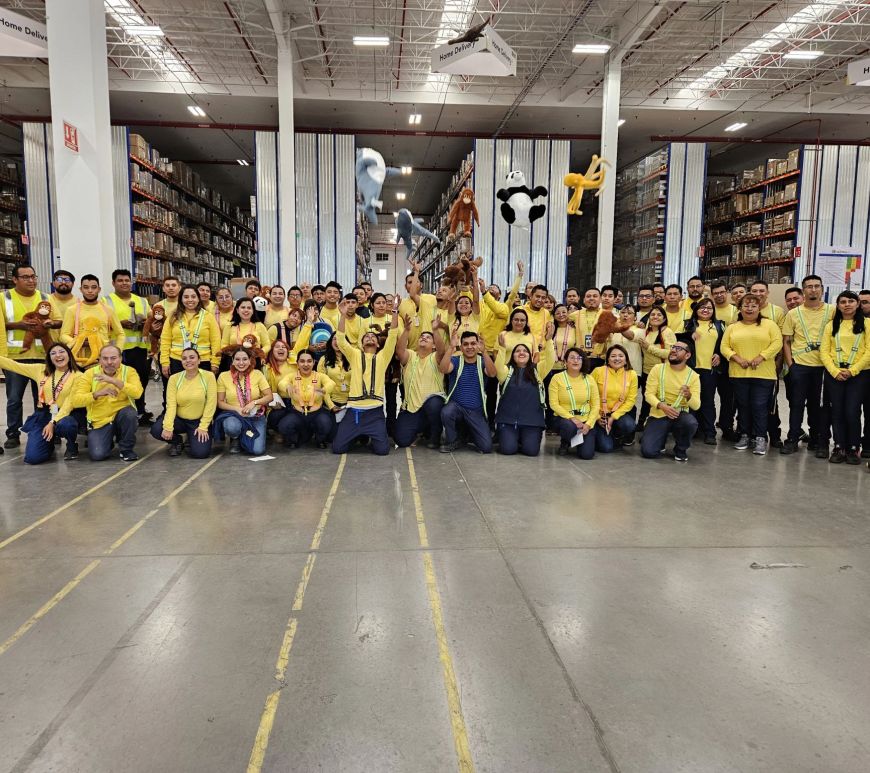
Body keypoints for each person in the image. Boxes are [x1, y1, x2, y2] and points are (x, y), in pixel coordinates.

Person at [331, 296, 400, 455]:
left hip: (374, 412)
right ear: (361, 344)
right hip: (354, 410)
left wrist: (395, 312)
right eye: (366, 337)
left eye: (373, 337)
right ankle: (358, 435)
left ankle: (366, 435)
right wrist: (343, 315)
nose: (370, 337)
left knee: (383, 451)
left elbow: (393, 335)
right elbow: (340, 339)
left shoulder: (383, 357)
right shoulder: (355, 355)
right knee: (338, 449)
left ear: (378, 344)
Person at [720, 293, 783, 455]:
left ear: (759, 308)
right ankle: (745, 435)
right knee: (743, 406)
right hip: (738, 374)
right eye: (746, 306)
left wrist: (762, 357)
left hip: (764, 374)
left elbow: (777, 343)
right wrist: (737, 358)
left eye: (753, 306)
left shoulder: (769, 325)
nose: (749, 309)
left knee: (759, 406)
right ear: (739, 308)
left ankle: (760, 438)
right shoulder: (733, 327)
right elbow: (724, 347)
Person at [0, 343, 84, 463]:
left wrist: (52, 423)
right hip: (45, 414)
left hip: (67, 414)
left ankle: (72, 445)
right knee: (33, 458)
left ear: (69, 355)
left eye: (62, 352)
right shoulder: (40, 370)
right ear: (49, 358)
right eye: (53, 353)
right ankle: (48, 443)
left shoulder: (78, 376)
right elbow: (13, 365)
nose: (58, 355)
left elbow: (69, 404)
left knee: (67, 424)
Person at [780, 275, 833, 457]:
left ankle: (818, 440)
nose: (813, 289)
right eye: (809, 286)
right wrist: (791, 365)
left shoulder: (832, 311)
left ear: (822, 289)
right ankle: (792, 438)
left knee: (818, 406)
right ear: (804, 291)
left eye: (816, 286)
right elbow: (786, 341)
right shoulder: (793, 314)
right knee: (796, 404)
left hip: (823, 367)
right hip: (800, 366)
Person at [69, 344, 143, 461]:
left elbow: (137, 393)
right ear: (99, 360)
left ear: (120, 358)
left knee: (130, 414)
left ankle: (126, 449)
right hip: (100, 420)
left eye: (113, 358)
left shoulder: (129, 371)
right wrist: (97, 394)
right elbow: (76, 401)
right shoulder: (89, 374)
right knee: (98, 455)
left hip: (121, 415)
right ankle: (107, 441)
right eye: (105, 358)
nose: (109, 362)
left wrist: (113, 381)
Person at [3, 264, 50, 448]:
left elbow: (56, 322)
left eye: (33, 276)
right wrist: (18, 325)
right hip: (15, 359)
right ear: (15, 279)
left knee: (43, 398)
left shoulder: (46, 298)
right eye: (25, 277)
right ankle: (13, 433)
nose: (31, 280)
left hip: (42, 357)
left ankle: (45, 431)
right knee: (14, 398)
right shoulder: (4, 298)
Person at [820, 291, 868, 465]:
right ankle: (839, 446)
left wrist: (853, 371)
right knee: (837, 411)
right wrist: (834, 371)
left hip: (859, 374)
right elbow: (824, 351)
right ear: (838, 306)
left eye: (851, 301)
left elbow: (869, 351)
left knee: (852, 411)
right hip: (835, 374)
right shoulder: (831, 326)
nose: (847, 304)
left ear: (857, 304)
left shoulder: (867, 324)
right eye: (843, 302)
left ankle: (853, 448)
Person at [494, 329, 555, 456]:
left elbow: (550, 360)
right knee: (508, 450)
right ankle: (513, 438)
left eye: (525, 351)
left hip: (532, 422)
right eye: (517, 351)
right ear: (512, 356)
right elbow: (498, 366)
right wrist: (502, 348)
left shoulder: (538, 371)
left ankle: (522, 439)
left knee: (531, 451)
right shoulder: (506, 371)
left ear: (530, 355)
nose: (521, 352)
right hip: (508, 421)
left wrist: (549, 340)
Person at [104, 269, 152, 425]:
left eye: (127, 280)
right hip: (119, 351)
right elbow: (101, 323)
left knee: (140, 381)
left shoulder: (142, 301)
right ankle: (119, 414)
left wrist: (144, 324)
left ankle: (140, 411)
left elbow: (151, 320)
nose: (124, 283)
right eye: (120, 280)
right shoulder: (106, 301)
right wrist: (119, 323)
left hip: (140, 349)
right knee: (118, 382)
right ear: (113, 283)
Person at [151, 347, 217, 458]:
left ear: (199, 360)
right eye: (184, 358)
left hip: (198, 422)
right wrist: (168, 427)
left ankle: (191, 439)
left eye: (192, 357)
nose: (188, 361)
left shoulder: (209, 376)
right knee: (157, 430)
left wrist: (203, 426)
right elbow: (171, 405)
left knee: (200, 453)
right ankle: (177, 441)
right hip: (179, 420)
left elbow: (211, 403)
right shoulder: (174, 378)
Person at [640, 342, 701, 462]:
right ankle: (660, 440)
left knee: (690, 422)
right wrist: (662, 406)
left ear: (687, 355)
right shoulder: (658, 369)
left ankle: (680, 449)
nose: (673, 350)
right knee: (648, 452)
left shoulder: (693, 376)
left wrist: (689, 396)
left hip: (679, 415)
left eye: (679, 348)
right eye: (673, 347)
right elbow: (648, 394)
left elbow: (696, 405)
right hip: (658, 414)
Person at [393, 316, 447, 449]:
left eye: (428, 338)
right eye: (422, 337)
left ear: (433, 345)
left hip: (432, 405)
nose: (424, 338)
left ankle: (435, 435)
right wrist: (406, 330)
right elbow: (399, 350)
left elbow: (441, 351)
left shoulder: (435, 357)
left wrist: (435, 330)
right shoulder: (410, 355)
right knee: (401, 441)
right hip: (412, 409)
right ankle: (421, 430)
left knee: (434, 404)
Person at [439, 330, 496, 453]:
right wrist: (451, 347)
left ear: (477, 345)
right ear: (461, 347)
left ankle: (468, 434)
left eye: (473, 343)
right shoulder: (455, 360)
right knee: (447, 412)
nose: (469, 347)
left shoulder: (482, 361)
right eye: (465, 344)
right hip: (457, 408)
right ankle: (452, 440)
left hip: (475, 411)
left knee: (486, 447)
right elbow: (443, 369)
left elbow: (492, 374)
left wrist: (484, 352)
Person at [680, 297, 726, 444]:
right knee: (689, 400)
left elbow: (725, 344)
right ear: (696, 310)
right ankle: (690, 430)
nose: (705, 310)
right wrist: (689, 334)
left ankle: (709, 432)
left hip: (709, 370)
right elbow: (677, 340)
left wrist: (719, 355)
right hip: (690, 369)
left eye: (709, 308)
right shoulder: (688, 324)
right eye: (702, 307)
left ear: (713, 311)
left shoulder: (720, 325)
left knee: (707, 401)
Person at [215, 348, 273, 454]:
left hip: (255, 416)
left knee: (257, 451)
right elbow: (220, 402)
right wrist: (237, 409)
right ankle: (236, 437)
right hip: (234, 415)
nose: (241, 363)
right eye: (237, 359)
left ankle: (244, 438)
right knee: (231, 427)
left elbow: (269, 396)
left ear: (250, 360)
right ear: (232, 361)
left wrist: (254, 403)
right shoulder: (223, 376)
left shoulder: (257, 374)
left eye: (245, 359)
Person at [60, 274, 125, 367]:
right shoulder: (72, 310)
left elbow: (120, 334)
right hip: (78, 362)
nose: (90, 291)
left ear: (99, 289)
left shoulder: (108, 310)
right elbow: (63, 335)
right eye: (86, 287)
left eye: (94, 287)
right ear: (81, 289)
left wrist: (116, 353)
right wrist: (80, 342)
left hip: (103, 361)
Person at [276, 350, 337, 448]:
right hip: (297, 413)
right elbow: (281, 383)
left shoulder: (319, 376)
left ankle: (319, 439)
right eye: (302, 361)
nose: (306, 364)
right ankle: (295, 439)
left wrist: (323, 390)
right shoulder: (292, 376)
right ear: (297, 363)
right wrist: (287, 386)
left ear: (314, 362)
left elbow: (331, 383)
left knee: (325, 424)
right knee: (284, 426)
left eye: (309, 361)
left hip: (316, 413)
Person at [160, 285, 221, 378]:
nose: (190, 300)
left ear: (198, 299)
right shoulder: (173, 317)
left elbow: (216, 341)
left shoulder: (208, 317)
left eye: (193, 296)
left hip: (203, 361)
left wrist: (215, 363)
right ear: (181, 299)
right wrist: (164, 362)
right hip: (177, 360)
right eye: (186, 297)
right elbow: (165, 340)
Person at [549, 348, 599, 459]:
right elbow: (553, 404)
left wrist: (588, 424)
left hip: (585, 421)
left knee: (587, 455)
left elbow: (596, 405)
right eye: (572, 358)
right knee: (569, 427)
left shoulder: (590, 379)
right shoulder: (557, 378)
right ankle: (565, 441)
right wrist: (571, 418)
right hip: (565, 420)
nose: (576, 360)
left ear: (583, 361)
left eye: (579, 358)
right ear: (565, 362)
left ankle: (578, 441)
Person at [591, 344, 638, 452]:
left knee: (628, 425)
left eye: (621, 356)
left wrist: (613, 417)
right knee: (606, 448)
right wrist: (597, 417)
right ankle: (600, 433)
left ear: (626, 360)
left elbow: (631, 400)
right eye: (613, 356)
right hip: (600, 414)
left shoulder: (632, 374)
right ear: (608, 359)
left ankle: (617, 436)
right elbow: (588, 395)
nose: (617, 359)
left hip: (618, 414)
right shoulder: (598, 371)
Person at [637, 306, 676, 428]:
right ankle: (642, 423)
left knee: (661, 399)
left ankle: (662, 426)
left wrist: (649, 347)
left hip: (662, 372)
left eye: (659, 315)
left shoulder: (667, 332)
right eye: (653, 314)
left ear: (664, 318)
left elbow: (671, 353)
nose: (655, 317)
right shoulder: (646, 331)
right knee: (647, 399)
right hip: (646, 371)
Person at [221, 297, 271, 366]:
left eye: (249, 308)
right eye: (243, 307)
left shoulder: (260, 326)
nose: (246, 310)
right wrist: (234, 354)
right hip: (233, 362)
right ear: (237, 310)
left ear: (253, 311)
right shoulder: (229, 326)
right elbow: (224, 345)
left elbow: (267, 345)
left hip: (254, 362)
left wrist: (257, 353)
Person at [317, 332, 351, 414]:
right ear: (330, 342)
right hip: (331, 403)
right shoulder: (324, 360)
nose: (337, 342)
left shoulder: (352, 358)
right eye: (335, 339)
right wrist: (331, 405)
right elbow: (321, 385)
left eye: (340, 339)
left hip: (351, 403)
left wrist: (353, 402)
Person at [570, 287, 602, 362]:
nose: (591, 298)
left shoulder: (607, 315)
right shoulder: (575, 315)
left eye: (595, 296)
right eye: (588, 296)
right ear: (584, 300)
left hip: (599, 358)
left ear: (600, 299)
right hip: (580, 357)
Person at [46, 269, 77, 341]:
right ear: (53, 283)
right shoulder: (46, 301)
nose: (63, 282)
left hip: (72, 343)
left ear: (73, 284)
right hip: (51, 344)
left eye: (67, 280)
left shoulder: (79, 303)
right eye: (59, 279)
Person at [861, 288, 870, 459]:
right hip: (857, 371)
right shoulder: (851, 322)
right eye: (860, 302)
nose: (861, 305)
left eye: (865, 302)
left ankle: (868, 444)